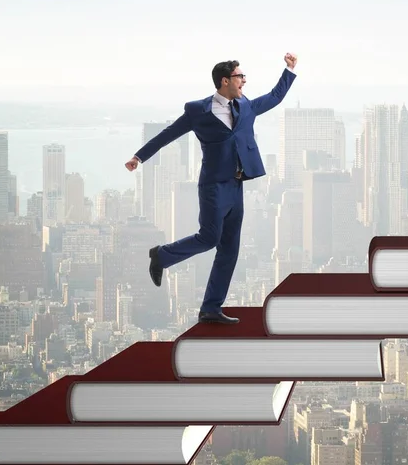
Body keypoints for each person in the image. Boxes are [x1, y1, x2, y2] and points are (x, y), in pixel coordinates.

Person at [125, 53, 298, 324]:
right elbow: (168, 134)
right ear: (225, 80)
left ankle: (210, 309)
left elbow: (275, 97)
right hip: (213, 186)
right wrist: (139, 157)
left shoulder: (246, 106)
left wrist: (288, 70)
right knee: (209, 237)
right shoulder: (198, 110)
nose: (244, 81)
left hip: (237, 185)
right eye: (240, 76)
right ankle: (161, 255)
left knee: (230, 248)